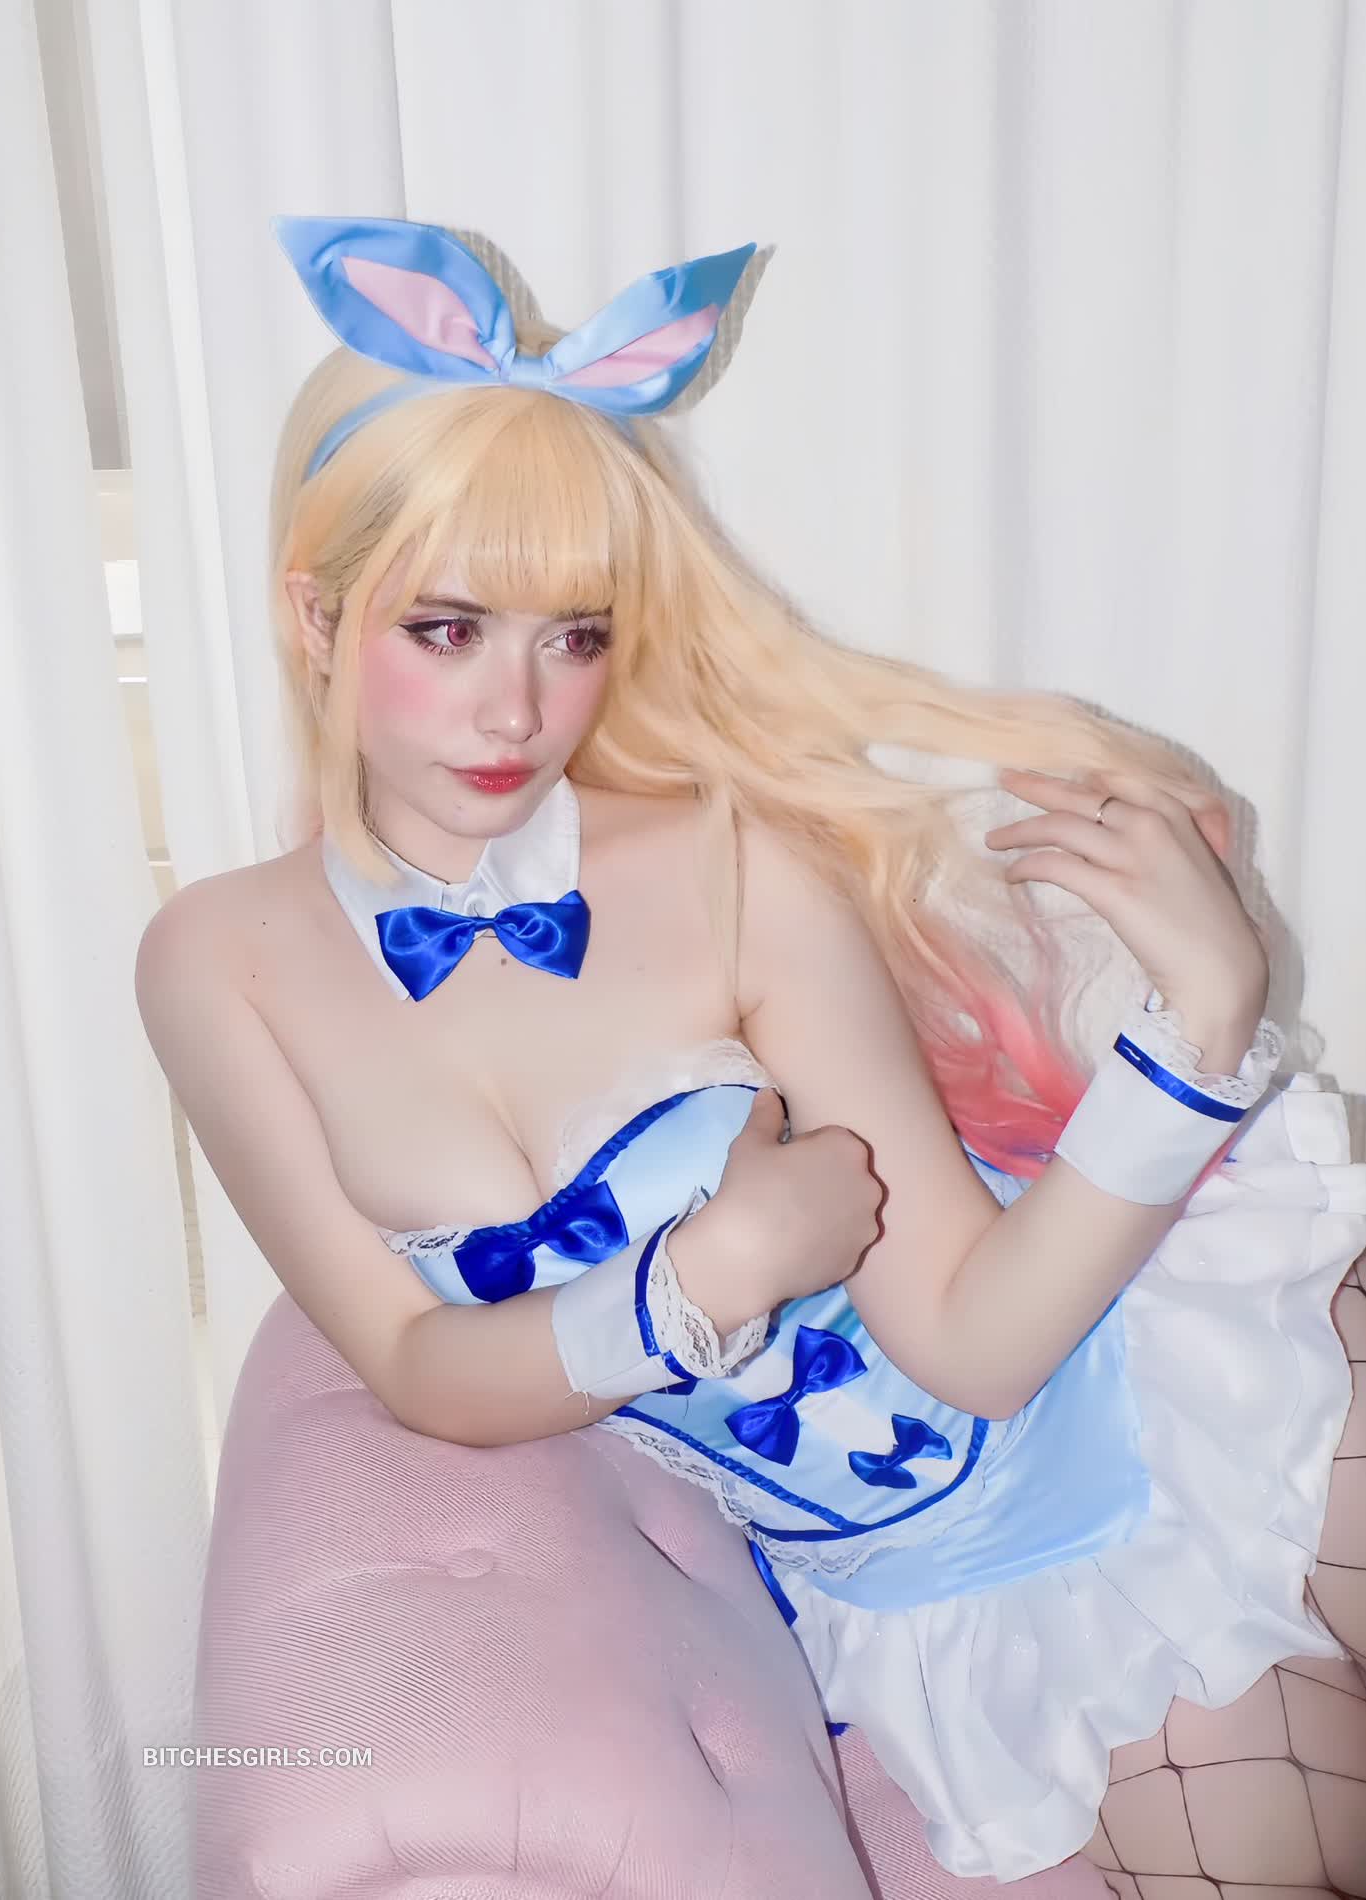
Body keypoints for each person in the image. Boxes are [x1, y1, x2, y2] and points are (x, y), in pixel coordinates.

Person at [136, 216, 1366, 1893]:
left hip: (1163, 1380)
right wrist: (694, 1282)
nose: (517, 711)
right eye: (447, 629)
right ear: (315, 615)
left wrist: (1201, 1026)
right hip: (949, 1597)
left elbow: (979, 1343)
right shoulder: (217, 961)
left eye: (573, 635)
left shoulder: (729, 865)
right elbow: (418, 1365)